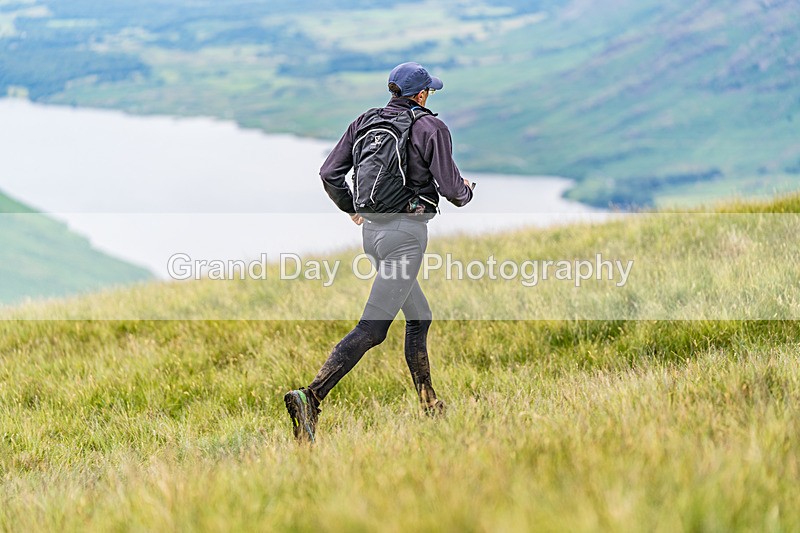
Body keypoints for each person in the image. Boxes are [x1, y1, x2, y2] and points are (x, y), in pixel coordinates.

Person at [284, 62, 474, 443]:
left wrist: (351, 206)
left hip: (373, 235)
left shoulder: (364, 122)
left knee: (419, 316)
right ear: (421, 95)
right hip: (406, 236)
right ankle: (311, 396)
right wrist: (468, 189)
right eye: (429, 92)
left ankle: (429, 402)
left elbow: (329, 173)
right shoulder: (430, 127)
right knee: (373, 328)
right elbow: (453, 191)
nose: (429, 97)